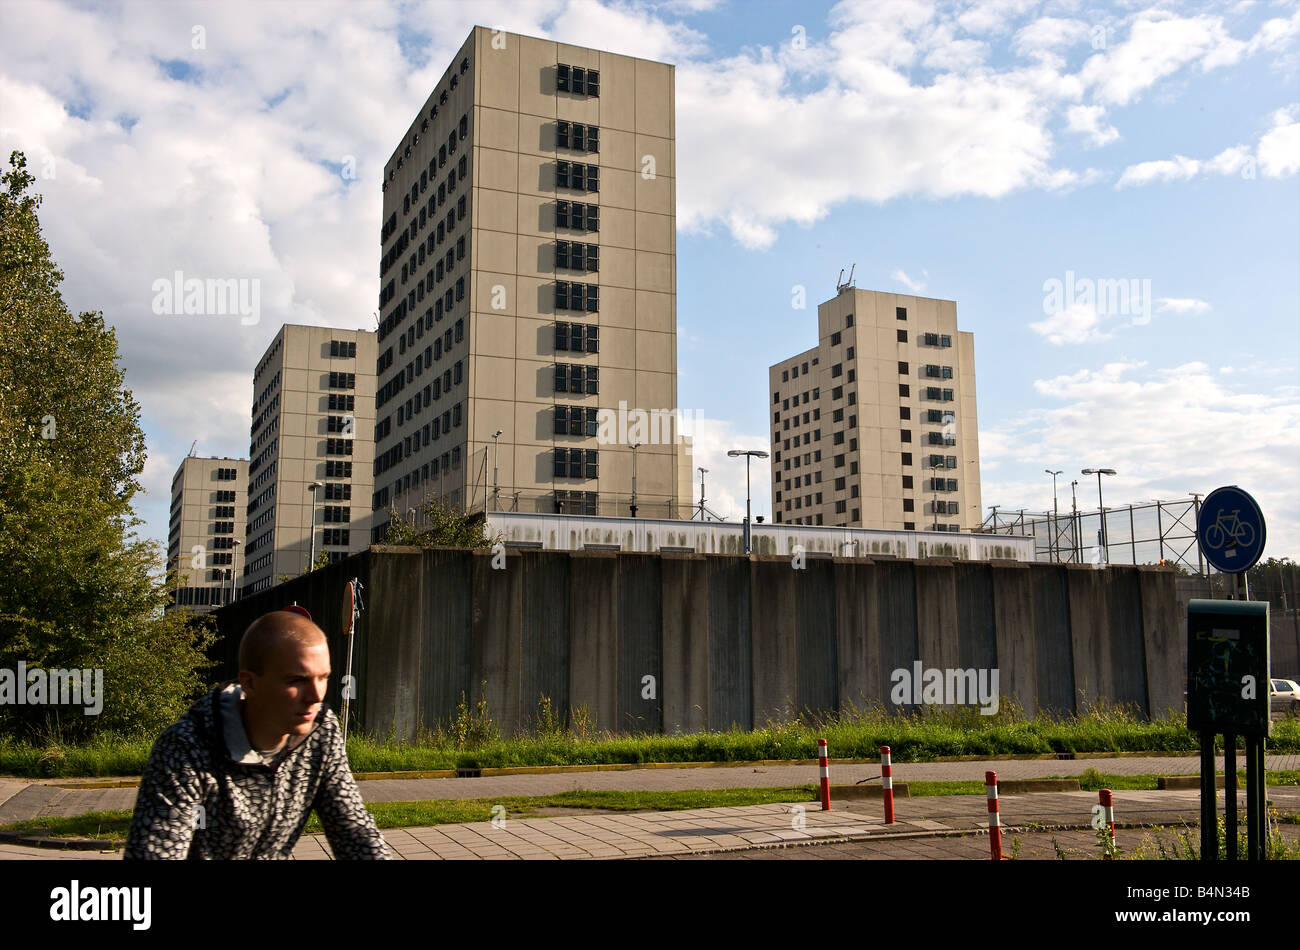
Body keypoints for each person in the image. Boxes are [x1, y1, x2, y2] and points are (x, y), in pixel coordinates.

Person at [125, 608, 391, 859]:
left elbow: (355, 831)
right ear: (249, 683)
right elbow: (156, 852)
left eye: (323, 678)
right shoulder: (187, 747)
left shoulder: (321, 731)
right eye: (297, 680)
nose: (316, 696)